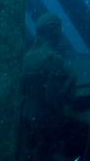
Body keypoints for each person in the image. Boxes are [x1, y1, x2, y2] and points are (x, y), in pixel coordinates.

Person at [21, 13, 76, 160]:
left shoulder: (27, 58)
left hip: (26, 116)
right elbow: (52, 98)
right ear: (53, 31)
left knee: (29, 153)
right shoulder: (53, 60)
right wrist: (71, 79)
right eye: (59, 28)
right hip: (45, 121)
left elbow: (22, 89)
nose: (61, 33)